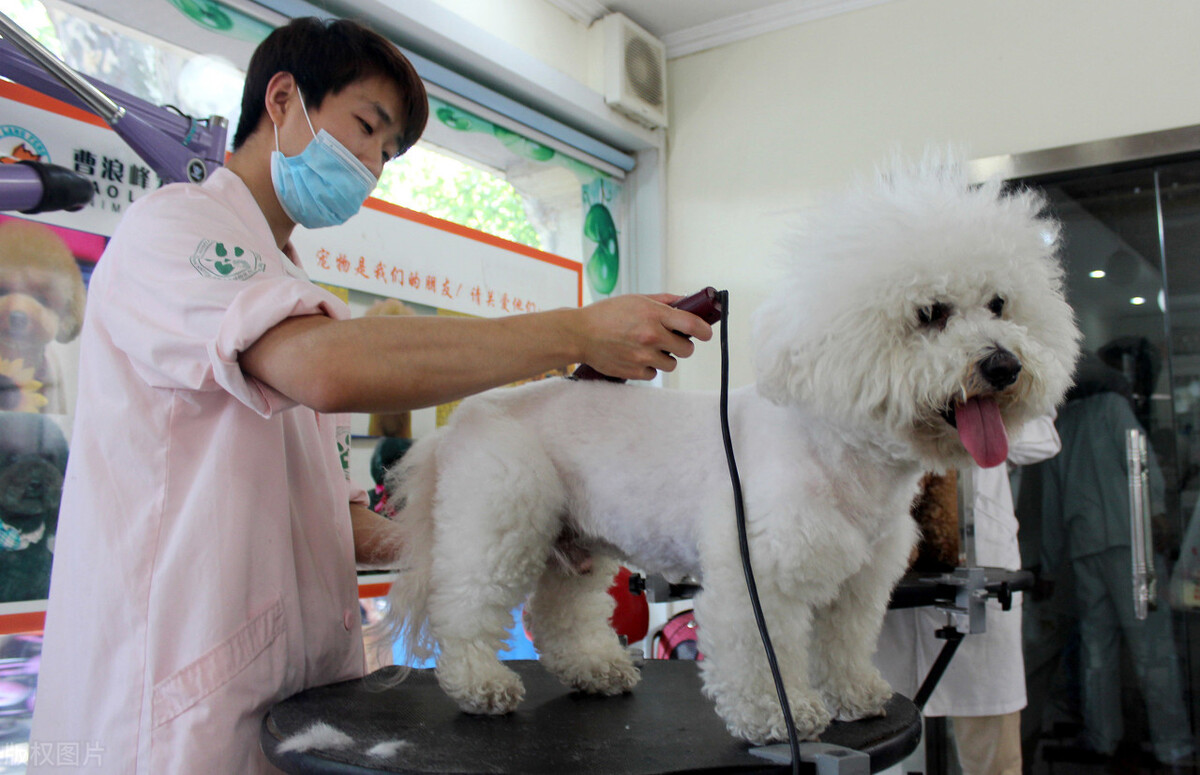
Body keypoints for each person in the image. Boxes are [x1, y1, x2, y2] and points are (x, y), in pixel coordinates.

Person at [28, 17, 712, 774]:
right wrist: (575, 333)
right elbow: (322, 369)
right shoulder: (177, 228)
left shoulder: (286, 283)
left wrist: (506, 539)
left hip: (292, 696)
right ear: (282, 99)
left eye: (386, 153)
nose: (370, 165)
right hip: (168, 701)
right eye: (365, 127)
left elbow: (338, 521)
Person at [875, 415, 1060, 775]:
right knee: (877, 736)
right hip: (888, 556)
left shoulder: (1003, 384)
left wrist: (975, 429)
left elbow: (1044, 436)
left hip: (980, 560)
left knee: (992, 747)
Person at [1039, 351, 1192, 766]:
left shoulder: (1062, 425)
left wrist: (1050, 564)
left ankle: (1102, 738)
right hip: (1130, 543)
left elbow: (1052, 502)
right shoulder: (1112, 407)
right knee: (1152, 646)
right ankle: (1173, 744)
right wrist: (1157, 512)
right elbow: (1140, 461)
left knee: (1097, 650)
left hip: (1085, 546)